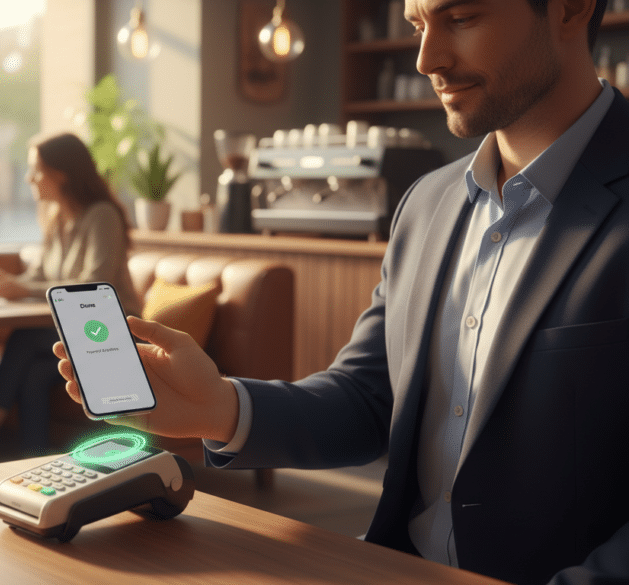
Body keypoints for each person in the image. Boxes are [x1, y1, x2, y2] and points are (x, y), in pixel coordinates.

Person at [56, 1, 629, 583]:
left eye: (461, 18)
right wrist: (219, 407)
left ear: (570, 8)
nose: (429, 57)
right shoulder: (426, 203)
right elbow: (366, 398)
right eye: (416, 25)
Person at [0, 132, 140, 470]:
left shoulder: (102, 216)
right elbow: (39, 276)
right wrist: (9, 282)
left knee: (23, 340)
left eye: (35, 170)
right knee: (32, 373)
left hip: (113, 333)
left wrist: (24, 289)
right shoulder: (56, 217)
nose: (29, 178)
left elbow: (94, 287)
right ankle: (36, 464)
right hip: (76, 334)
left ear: (61, 173)